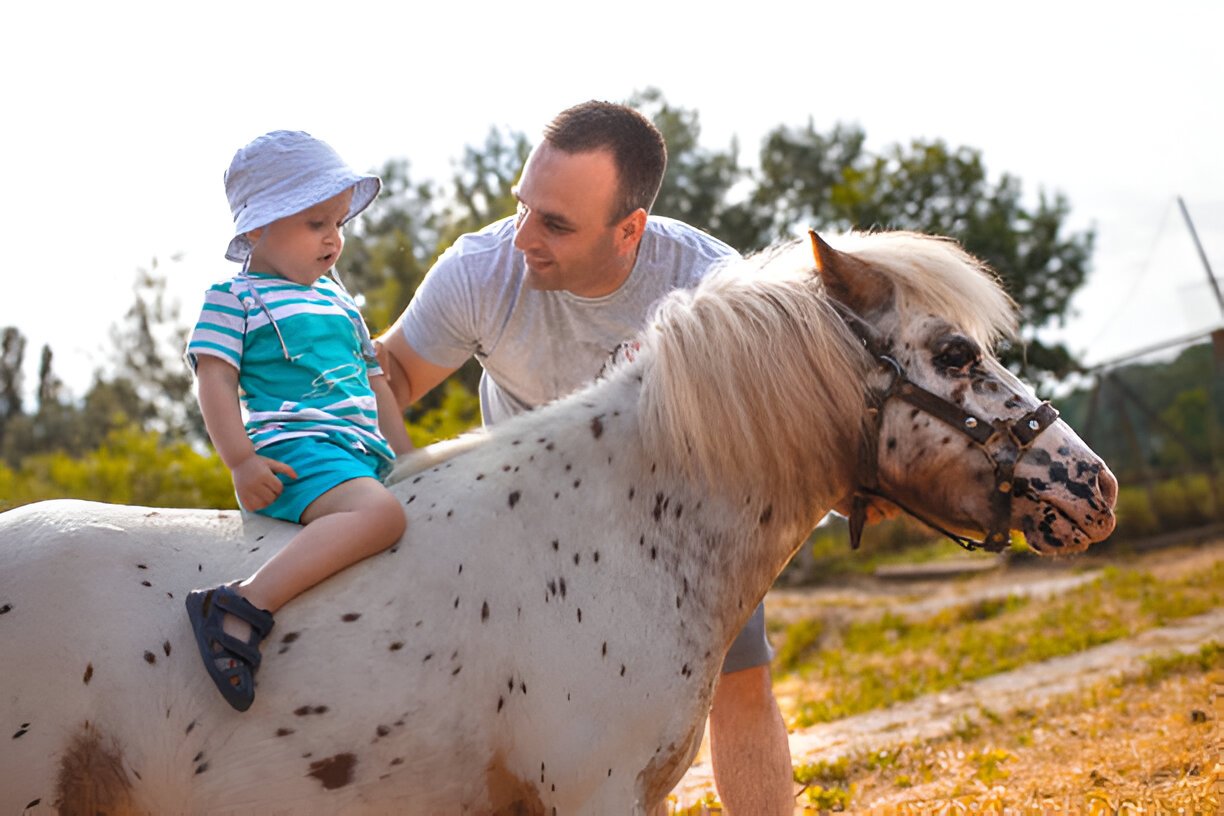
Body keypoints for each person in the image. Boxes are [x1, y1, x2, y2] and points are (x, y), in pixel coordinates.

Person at [377, 102, 794, 813]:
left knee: (740, 678)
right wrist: (410, 492)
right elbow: (390, 376)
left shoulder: (712, 286)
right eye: (524, 207)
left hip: (678, 515)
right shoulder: (482, 270)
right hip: (525, 517)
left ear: (629, 230)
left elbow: (766, 424)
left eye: (556, 225)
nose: (523, 238)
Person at [184, 131, 411, 712]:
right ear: (257, 228)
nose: (334, 239)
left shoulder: (340, 301)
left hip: (357, 454)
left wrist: (410, 460)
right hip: (296, 453)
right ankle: (239, 607)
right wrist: (240, 459)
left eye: (338, 223)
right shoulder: (234, 298)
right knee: (380, 516)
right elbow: (215, 379)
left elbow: (375, 382)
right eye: (316, 223)